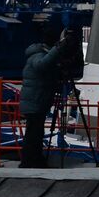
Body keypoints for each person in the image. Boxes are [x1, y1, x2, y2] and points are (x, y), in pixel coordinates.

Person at [19, 26, 75, 169]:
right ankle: (30, 162)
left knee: (36, 132)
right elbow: (41, 65)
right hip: (35, 101)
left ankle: (34, 160)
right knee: (33, 133)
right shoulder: (37, 55)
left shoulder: (41, 53)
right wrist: (58, 49)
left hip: (38, 100)